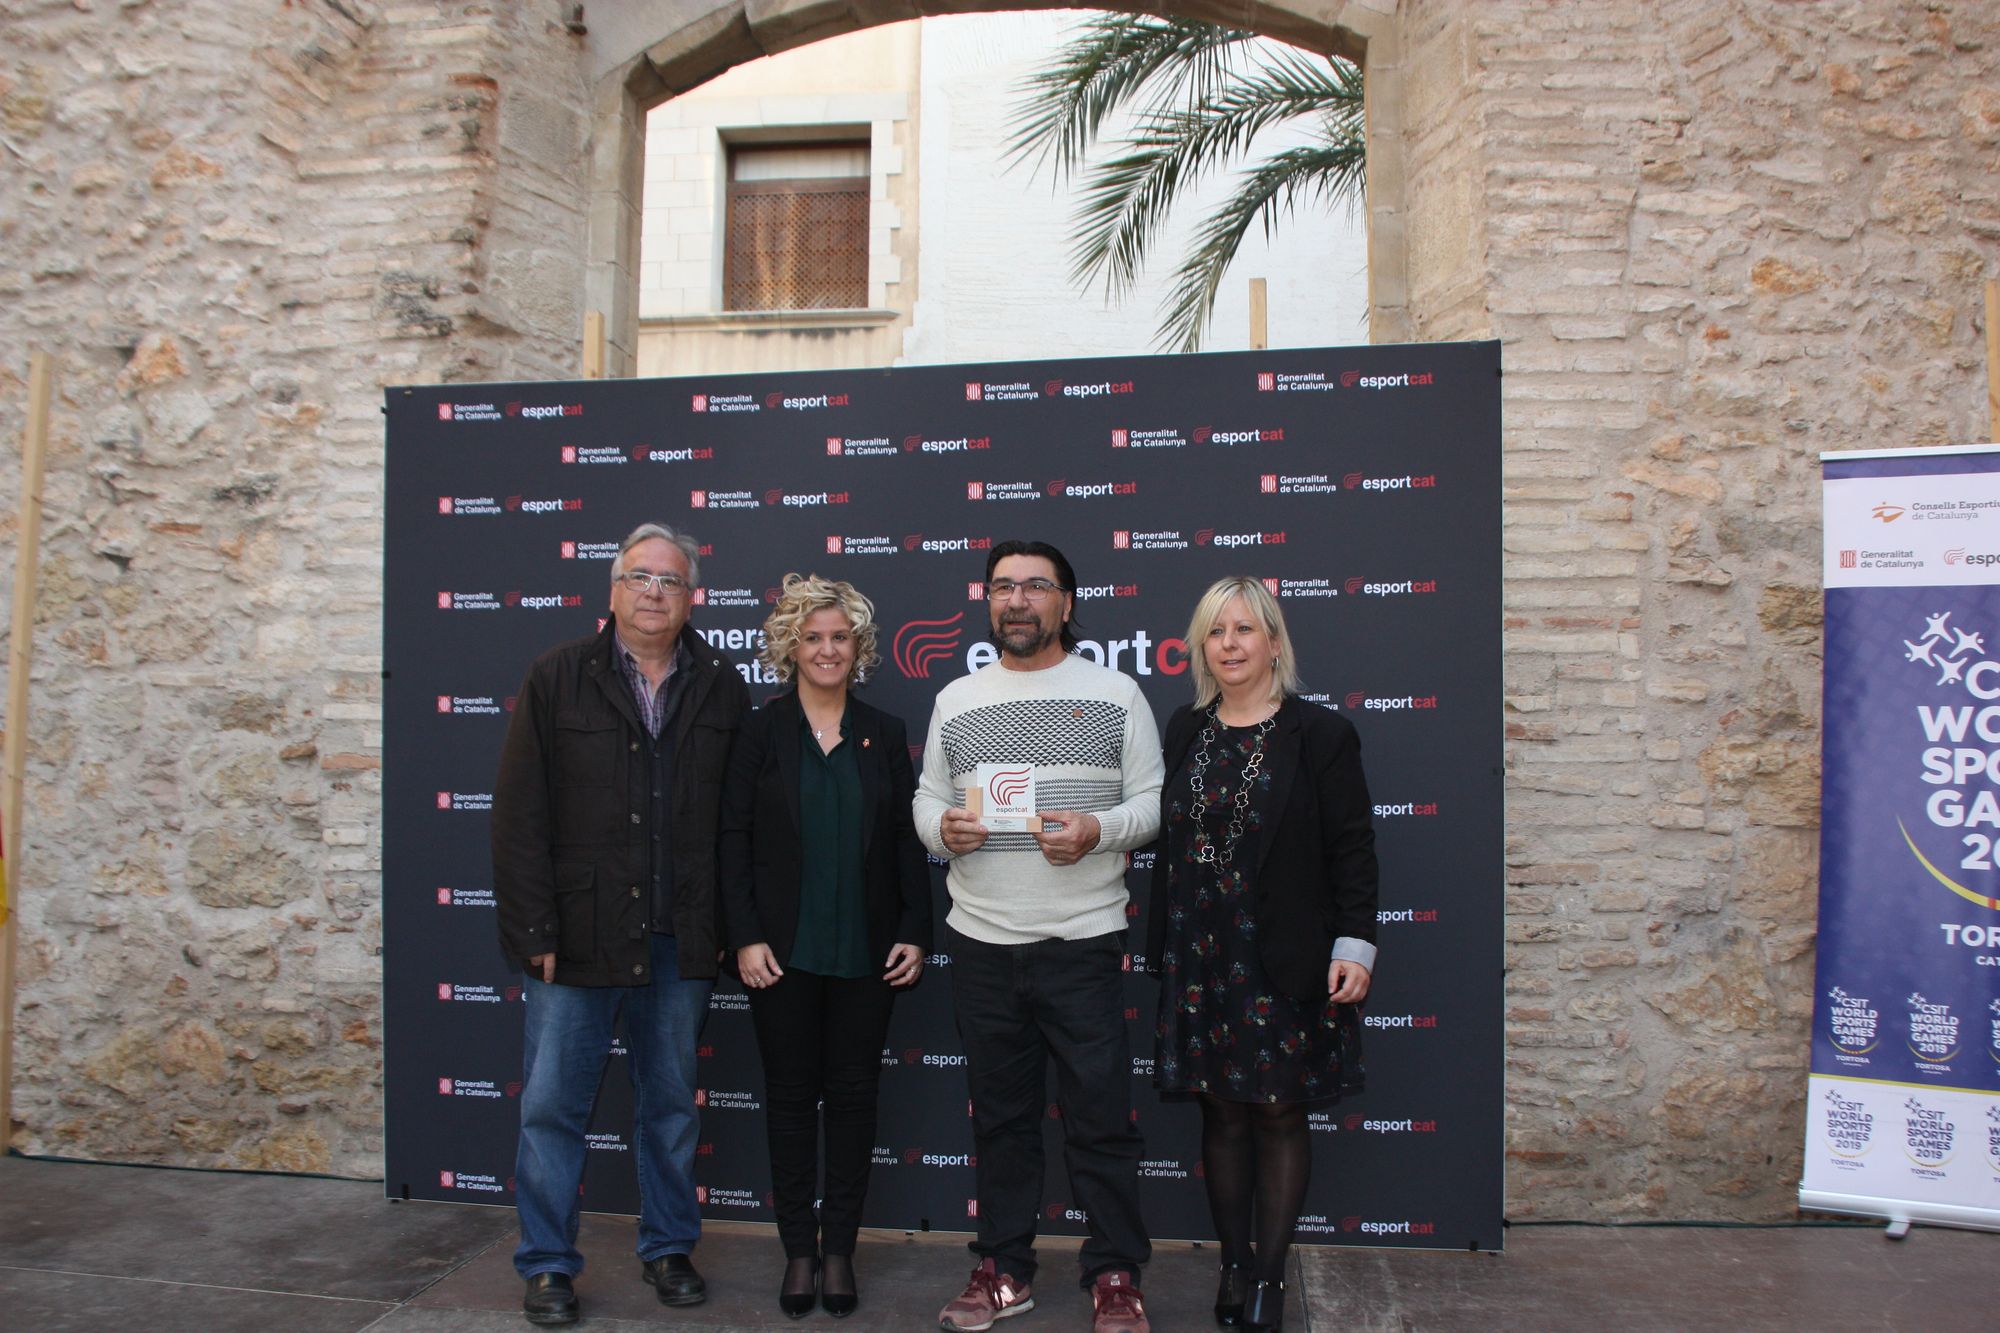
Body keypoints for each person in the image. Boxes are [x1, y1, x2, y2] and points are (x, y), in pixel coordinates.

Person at [492, 521, 750, 1327]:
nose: (653, 592)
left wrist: (729, 929)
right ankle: (546, 1264)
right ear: (612, 589)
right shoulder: (556, 677)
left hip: (681, 940)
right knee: (551, 1110)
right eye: (639, 576)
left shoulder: (721, 682)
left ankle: (669, 1246)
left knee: (670, 1106)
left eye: (670, 580)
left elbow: (736, 823)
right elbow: (518, 815)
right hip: (574, 939)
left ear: (691, 596)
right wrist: (532, 930)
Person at [914, 540, 1164, 1333]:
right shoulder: (957, 699)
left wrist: (1099, 828)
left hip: (1083, 939)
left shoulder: (1116, 693)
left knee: (1099, 1116)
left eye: (1034, 586)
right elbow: (925, 798)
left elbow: (1154, 801)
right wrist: (943, 831)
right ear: (988, 602)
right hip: (983, 942)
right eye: (1002, 587)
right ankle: (1004, 1270)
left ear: (1065, 602)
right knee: (1001, 1118)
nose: (1016, 600)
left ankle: (1116, 1271)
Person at [1145, 577, 1378, 1333]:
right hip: (1203, 955)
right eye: (1217, 631)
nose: (1232, 644)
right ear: (1202, 646)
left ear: (1274, 642)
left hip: (1282, 954)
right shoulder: (1184, 728)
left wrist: (1355, 944)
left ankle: (1271, 1278)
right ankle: (1234, 1261)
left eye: (1246, 629)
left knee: (1279, 1110)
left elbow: (1353, 848)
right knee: (1221, 1112)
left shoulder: (1321, 734)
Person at [719, 573, 932, 1320]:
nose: (827, 648)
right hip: (779, 957)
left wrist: (914, 928)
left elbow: (907, 841)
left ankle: (839, 1248)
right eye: (812, 637)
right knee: (787, 1101)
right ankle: (799, 1251)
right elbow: (732, 840)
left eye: (840, 636)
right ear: (789, 646)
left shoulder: (882, 730)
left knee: (852, 1099)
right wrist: (742, 934)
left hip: (867, 955)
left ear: (859, 646)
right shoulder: (759, 730)